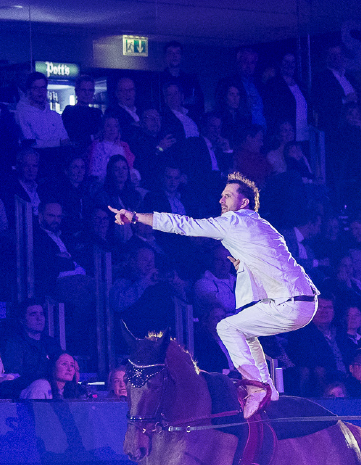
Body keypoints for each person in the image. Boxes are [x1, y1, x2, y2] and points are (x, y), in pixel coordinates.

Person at [110, 172, 318, 417]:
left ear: (243, 202)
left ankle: (256, 387)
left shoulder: (234, 221)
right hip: (306, 302)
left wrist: (136, 216)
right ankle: (268, 388)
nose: (221, 200)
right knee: (245, 331)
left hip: (289, 304)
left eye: (228, 196)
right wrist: (242, 265)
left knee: (226, 327)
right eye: (222, 195)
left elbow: (183, 225)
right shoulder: (263, 226)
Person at [15, 72, 68, 150]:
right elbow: (29, 143)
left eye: (43, 87)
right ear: (29, 91)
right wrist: (58, 143)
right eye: (36, 88)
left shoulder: (55, 116)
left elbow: (65, 140)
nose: (40, 91)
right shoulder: (22, 114)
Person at [20, 352, 89, 400]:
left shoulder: (65, 390)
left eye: (72, 365)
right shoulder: (40, 387)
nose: (69, 369)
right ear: (52, 367)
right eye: (64, 364)